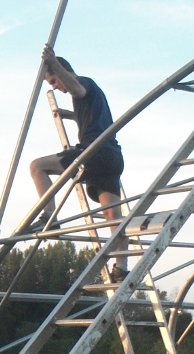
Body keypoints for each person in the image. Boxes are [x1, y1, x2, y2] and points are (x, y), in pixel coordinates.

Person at [29, 45, 128, 280]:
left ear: (61, 71)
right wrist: (68, 115)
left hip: (95, 153)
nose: (56, 87)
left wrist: (54, 62)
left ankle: (49, 217)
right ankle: (121, 267)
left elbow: (76, 88)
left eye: (53, 81)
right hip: (112, 157)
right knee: (113, 216)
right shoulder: (93, 97)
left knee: (37, 166)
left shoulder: (83, 83)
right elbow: (86, 109)